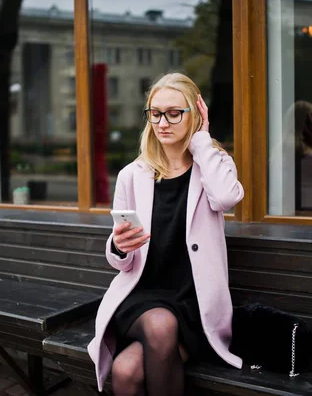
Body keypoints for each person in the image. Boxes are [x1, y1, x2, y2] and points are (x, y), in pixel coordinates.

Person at [87, 73, 245, 395]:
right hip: (141, 300)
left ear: (195, 115)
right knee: (159, 324)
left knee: (126, 370)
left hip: (193, 304)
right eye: (155, 113)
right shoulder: (132, 175)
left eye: (174, 113)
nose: (163, 122)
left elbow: (228, 198)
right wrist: (118, 247)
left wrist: (202, 141)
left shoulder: (215, 165)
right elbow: (122, 260)